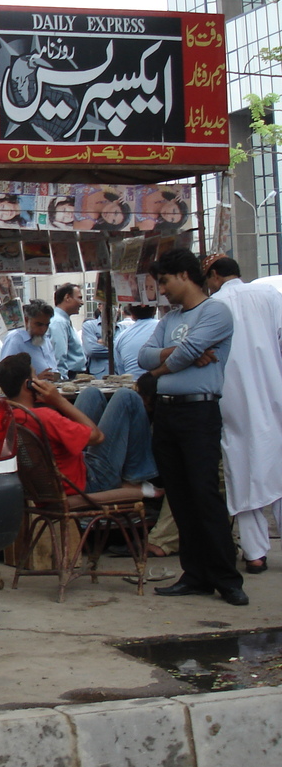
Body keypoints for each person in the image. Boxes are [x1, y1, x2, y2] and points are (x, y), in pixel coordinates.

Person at [139, 249, 247, 606]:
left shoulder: (215, 311)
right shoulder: (170, 319)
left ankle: (226, 577)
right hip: (168, 416)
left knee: (205, 496)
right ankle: (195, 573)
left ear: (184, 275)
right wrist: (175, 353)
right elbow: (144, 355)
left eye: (165, 281)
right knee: (181, 497)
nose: (163, 290)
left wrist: (159, 368)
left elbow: (185, 353)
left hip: (199, 413)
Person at [0, 352, 159, 505]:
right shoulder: (44, 416)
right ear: (28, 385)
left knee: (90, 394)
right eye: (35, 376)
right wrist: (59, 401)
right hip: (90, 481)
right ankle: (136, 477)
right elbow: (97, 437)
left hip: (61, 478)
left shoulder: (9, 416)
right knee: (126, 396)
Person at [206, 255, 282, 574]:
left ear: (214, 276)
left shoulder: (213, 306)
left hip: (232, 398)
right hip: (272, 391)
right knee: (278, 463)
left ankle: (255, 553)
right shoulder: (270, 297)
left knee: (241, 465)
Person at [0, 299, 58, 379]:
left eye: (46, 325)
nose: (43, 329)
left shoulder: (45, 339)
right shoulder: (15, 339)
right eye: (39, 324)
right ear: (27, 320)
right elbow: (6, 376)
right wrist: (35, 379)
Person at [49, 283, 86, 378]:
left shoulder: (63, 321)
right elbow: (59, 356)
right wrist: (63, 380)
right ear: (67, 297)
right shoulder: (59, 322)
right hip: (69, 376)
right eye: (79, 298)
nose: (82, 302)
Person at [114, 305, 159, 379]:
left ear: (132, 314)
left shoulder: (121, 337)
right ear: (155, 311)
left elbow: (120, 370)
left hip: (133, 384)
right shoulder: (164, 328)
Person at [81, 311, 110, 377]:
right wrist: (119, 348)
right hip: (100, 377)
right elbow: (91, 350)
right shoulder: (89, 326)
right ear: (100, 306)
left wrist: (105, 343)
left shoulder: (123, 328)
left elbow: (127, 350)